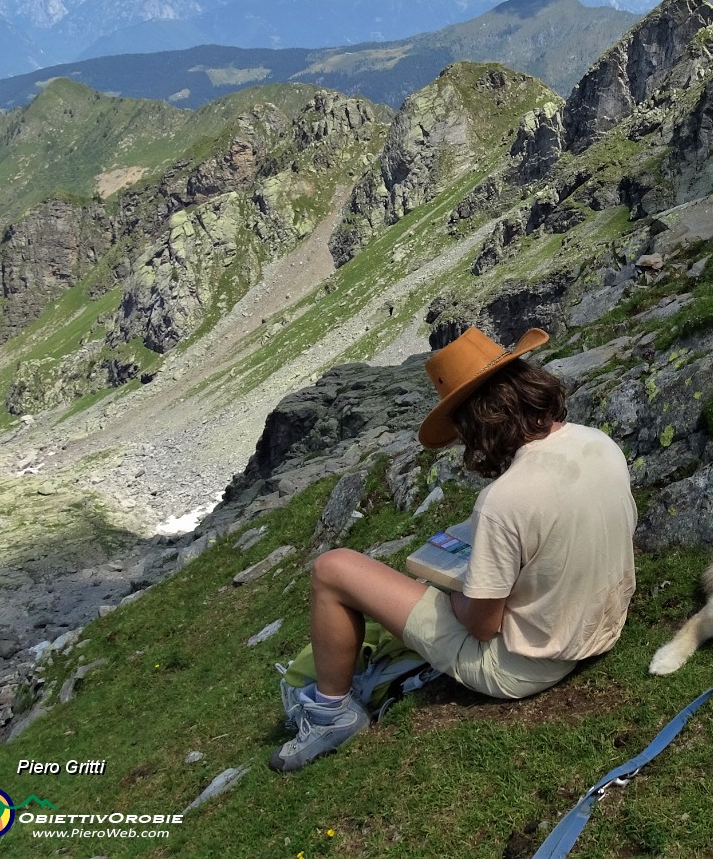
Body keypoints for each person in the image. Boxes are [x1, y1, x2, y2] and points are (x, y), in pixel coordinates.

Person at [271, 326, 638, 772]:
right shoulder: (596, 441)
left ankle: (332, 715)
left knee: (333, 569)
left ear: (476, 422)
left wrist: (453, 590)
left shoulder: (504, 500)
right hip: (598, 629)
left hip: (522, 667)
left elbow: (482, 627)